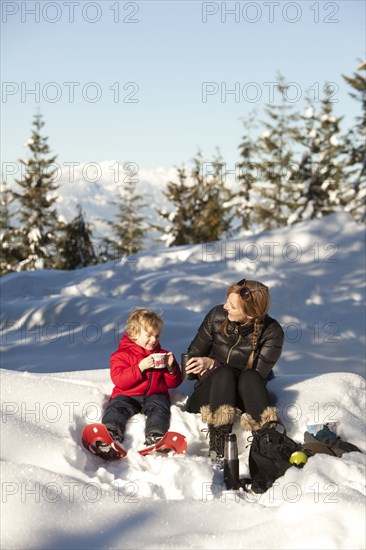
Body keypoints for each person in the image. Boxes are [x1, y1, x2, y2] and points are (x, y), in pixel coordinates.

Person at [185, 278, 284, 462]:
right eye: (227, 301)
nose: (225, 306)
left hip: (245, 397)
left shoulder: (272, 332)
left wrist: (215, 365)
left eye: (232, 305)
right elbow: (190, 363)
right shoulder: (217, 316)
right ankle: (218, 447)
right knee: (223, 374)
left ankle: (268, 444)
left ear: (251, 314)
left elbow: (256, 378)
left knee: (247, 375)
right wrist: (198, 366)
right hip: (209, 397)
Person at [102, 308, 182, 446]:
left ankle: (156, 435)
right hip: (127, 395)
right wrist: (139, 368)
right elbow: (119, 380)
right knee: (117, 406)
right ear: (134, 334)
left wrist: (171, 368)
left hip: (154, 395)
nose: (153, 340)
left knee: (160, 407)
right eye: (149, 335)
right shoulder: (121, 355)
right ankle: (111, 432)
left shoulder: (163, 355)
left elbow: (174, 383)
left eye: (157, 336)